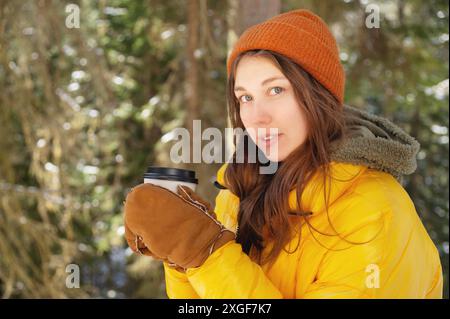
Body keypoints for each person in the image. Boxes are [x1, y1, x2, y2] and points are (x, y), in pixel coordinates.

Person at [123, 9, 443, 298]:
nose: (257, 116)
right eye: (245, 97)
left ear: (318, 96)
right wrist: (181, 255)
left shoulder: (375, 212)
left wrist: (207, 253)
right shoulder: (240, 191)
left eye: (276, 90)